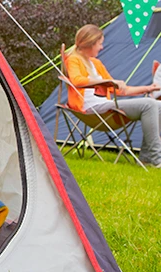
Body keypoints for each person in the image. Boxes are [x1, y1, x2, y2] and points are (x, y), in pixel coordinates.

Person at [67, 24, 161, 166]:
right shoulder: (73, 59)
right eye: (100, 44)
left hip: (105, 106)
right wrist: (109, 81)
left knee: (157, 104)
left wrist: (148, 88)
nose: (102, 47)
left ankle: (147, 158)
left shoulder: (96, 63)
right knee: (149, 104)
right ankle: (156, 158)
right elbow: (77, 81)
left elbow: (119, 91)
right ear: (90, 43)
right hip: (91, 109)